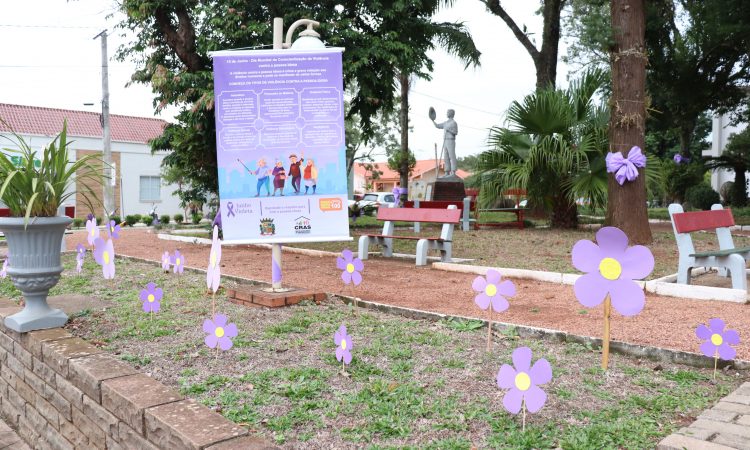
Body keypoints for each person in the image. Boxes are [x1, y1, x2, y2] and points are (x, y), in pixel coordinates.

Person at [431, 109, 458, 177]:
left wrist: (449, 130)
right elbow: (437, 126)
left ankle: (453, 172)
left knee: (451, 156)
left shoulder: (454, 123)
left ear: (451, 113)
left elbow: (456, 132)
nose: (447, 113)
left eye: (448, 112)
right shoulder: (445, 123)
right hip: (445, 141)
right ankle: (447, 171)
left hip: (451, 140)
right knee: (446, 157)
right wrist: (432, 120)